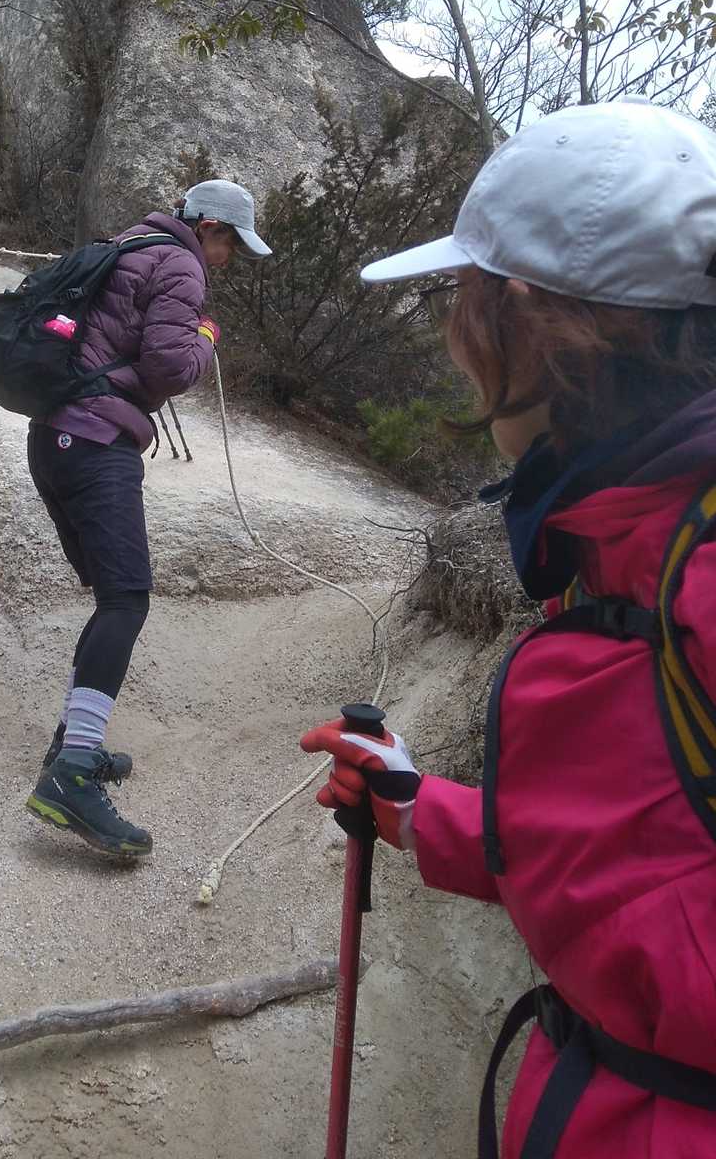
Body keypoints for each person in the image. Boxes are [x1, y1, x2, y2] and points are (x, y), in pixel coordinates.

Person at [301, 100, 716, 1158]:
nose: (460, 347)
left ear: (532, 317)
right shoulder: (626, 532)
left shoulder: (694, 555)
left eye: (467, 300)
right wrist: (419, 809)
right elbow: (647, 858)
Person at [26, 179, 271, 859]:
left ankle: (70, 744)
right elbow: (167, 367)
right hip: (96, 439)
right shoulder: (181, 264)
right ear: (211, 227)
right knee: (127, 599)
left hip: (52, 435)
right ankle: (73, 773)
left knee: (113, 598)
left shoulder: (129, 242)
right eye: (232, 245)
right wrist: (206, 336)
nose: (228, 259)